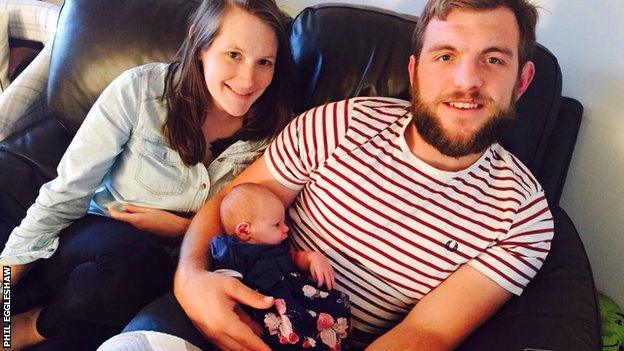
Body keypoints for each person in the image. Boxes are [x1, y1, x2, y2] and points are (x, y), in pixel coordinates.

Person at [170, 0, 553, 350]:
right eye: (446, 56)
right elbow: (233, 201)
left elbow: (428, 332)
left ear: (522, 81)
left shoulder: (522, 218)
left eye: (494, 60)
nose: (466, 81)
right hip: (225, 308)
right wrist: (190, 279)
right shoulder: (341, 123)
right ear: (415, 70)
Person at [0, 0, 293, 349]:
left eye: (264, 62)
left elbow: (253, 231)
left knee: (131, 286)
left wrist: (183, 229)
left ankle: (38, 326)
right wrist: (4, 289)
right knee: (127, 260)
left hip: (155, 281)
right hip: (92, 242)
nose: (248, 80)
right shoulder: (141, 92)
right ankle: (14, 321)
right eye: (233, 54)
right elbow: (64, 194)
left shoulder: (273, 137)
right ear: (200, 45)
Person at [213, 182, 350, 350]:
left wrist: (312, 258)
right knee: (289, 338)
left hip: (299, 296)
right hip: (271, 309)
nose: (286, 229)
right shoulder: (233, 252)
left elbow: (294, 257)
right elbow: (230, 290)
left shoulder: (278, 245)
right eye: (277, 224)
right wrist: (245, 320)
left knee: (332, 309)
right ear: (244, 230)